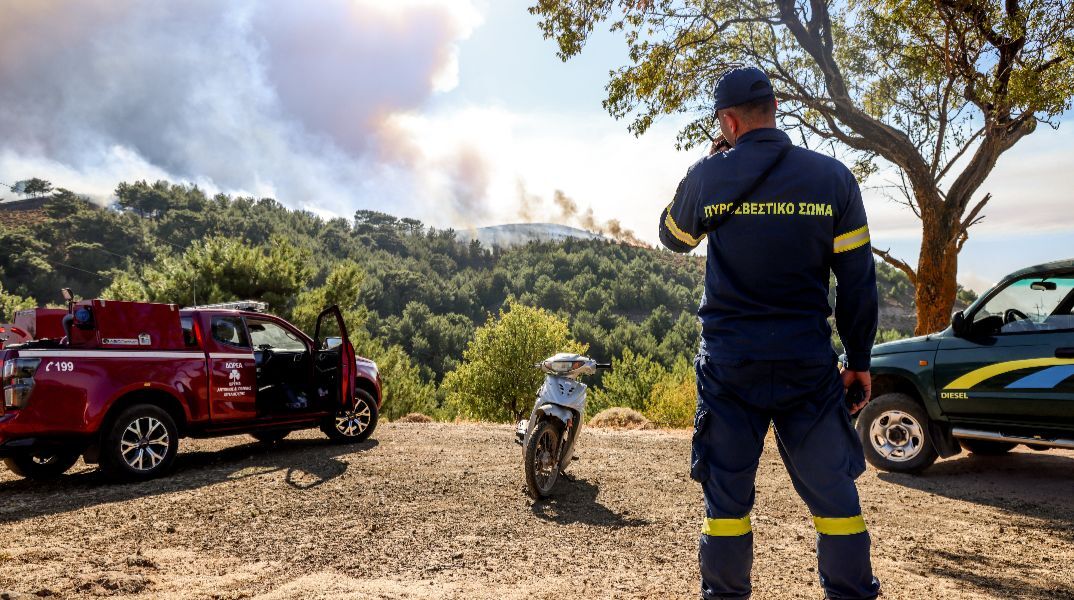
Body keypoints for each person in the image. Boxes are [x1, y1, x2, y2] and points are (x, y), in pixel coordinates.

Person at [658, 66, 881, 600]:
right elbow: (857, 281)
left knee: (727, 505)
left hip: (731, 370)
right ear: (774, 109)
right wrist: (858, 359)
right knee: (836, 502)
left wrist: (706, 166)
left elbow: (672, 236)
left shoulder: (710, 176)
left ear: (728, 121)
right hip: (807, 366)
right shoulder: (833, 179)